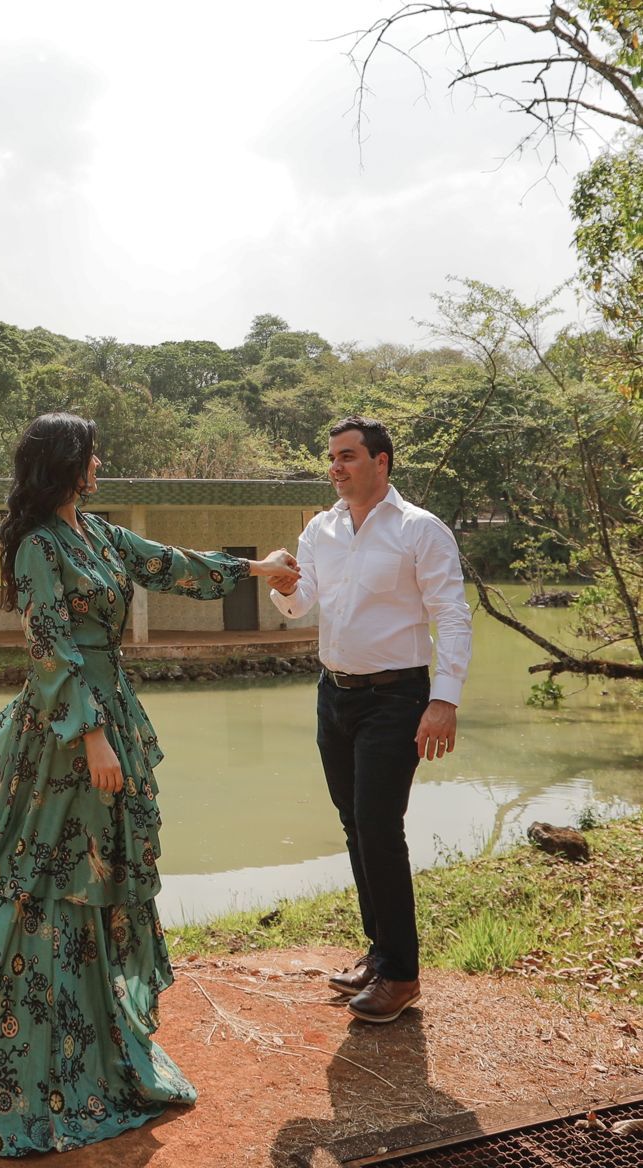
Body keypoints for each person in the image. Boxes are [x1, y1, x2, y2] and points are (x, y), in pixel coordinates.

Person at [0, 411, 298, 1155]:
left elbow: (167, 564)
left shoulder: (98, 532)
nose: (101, 460)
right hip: (66, 728)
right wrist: (91, 737)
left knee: (97, 875)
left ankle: (93, 1047)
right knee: (37, 873)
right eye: (90, 452)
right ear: (67, 462)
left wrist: (255, 570)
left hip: (107, 705)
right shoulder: (36, 547)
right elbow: (48, 645)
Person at [268, 416, 471, 1025]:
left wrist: (444, 698)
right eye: (332, 456)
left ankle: (402, 975)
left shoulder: (420, 530)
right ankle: (381, 955)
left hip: (397, 697)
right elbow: (299, 606)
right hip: (335, 694)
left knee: (380, 825)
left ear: (382, 461)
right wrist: (281, 584)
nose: (336, 466)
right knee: (355, 823)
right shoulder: (320, 530)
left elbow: (452, 616)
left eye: (348, 456)